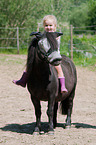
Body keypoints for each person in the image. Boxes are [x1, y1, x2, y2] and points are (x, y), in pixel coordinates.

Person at [13, 15, 68, 93]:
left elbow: (54, 43)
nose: (48, 27)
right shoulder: (44, 35)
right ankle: (23, 80)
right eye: (46, 25)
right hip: (45, 56)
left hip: (54, 56)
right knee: (30, 65)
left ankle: (62, 86)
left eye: (50, 25)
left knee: (59, 69)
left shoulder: (56, 36)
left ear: (55, 26)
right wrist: (39, 37)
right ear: (43, 26)